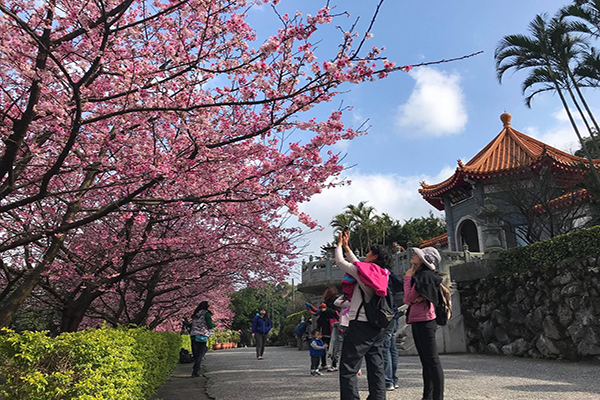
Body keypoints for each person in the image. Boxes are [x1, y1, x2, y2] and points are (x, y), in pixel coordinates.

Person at [335, 230, 392, 400]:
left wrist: (338, 245)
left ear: (374, 256)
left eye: (368, 252)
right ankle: (378, 397)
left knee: (348, 368)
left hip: (360, 325)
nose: (365, 255)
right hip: (378, 327)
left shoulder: (365, 274)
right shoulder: (381, 274)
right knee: (376, 366)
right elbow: (359, 265)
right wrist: (347, 247)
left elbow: (341, 262)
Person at [404, 247, 444, 400]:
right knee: (426, 362)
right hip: (418, 320)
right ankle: (427, 396)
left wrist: (407, 278)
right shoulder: (421, 276)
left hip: (425, 320)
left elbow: (407, 298)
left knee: (432, 361)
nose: (413, 255)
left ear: (424, 260)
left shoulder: (425, 277)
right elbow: (410, 299)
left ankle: (437, 397)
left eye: (417, 254)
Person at [383, 271, 404, 391]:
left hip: (384, 314)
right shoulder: (390, 274)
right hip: (394, 313)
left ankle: (388, 380)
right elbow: (402, 285)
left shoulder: (378, 273)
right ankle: (394, 379)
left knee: (385, 348)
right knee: (392, 348)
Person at [187, 301, 216, 378]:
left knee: (196, 354)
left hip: (193, 334)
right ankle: (195, 369)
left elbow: (192, 324)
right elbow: (210, 325)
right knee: (201, 353)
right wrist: (214, 324)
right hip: (202, 335)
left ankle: (195, 370)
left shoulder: (195, 314)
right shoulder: (206, 314)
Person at [316, 301, 339, 371]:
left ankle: (333, 365)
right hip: (327, 333)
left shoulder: (330, 312)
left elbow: (319, 323)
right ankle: (325, 364)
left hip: (331, 333)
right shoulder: (325, 313)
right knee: (326, 349)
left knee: (332, 349)